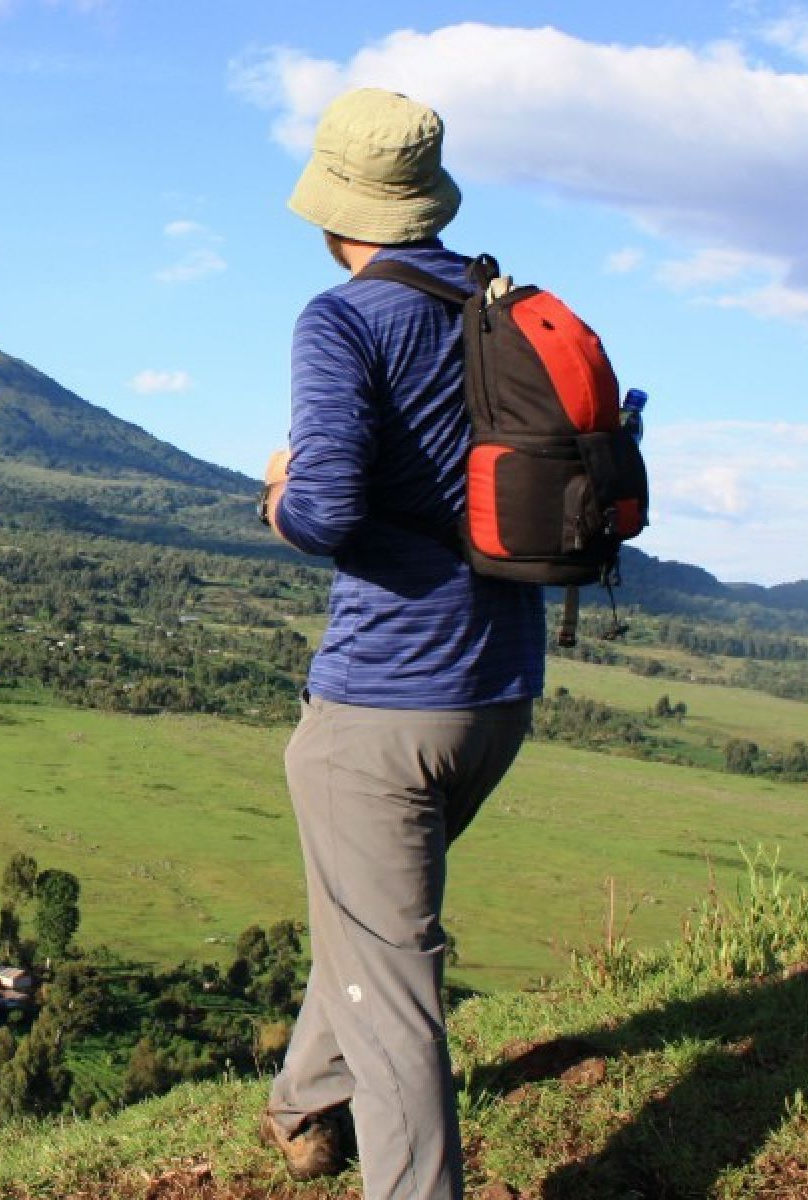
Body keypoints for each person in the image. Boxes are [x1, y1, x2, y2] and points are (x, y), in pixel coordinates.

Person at [256, 88, 543, 1200]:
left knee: (392, 982)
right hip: (501, 691)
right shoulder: (503, 305)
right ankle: (299, 1110)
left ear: (336, 212)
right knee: (371, 928)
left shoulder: (344, 318)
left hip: (383, 704)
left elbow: (325, 509)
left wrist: (279, 494)